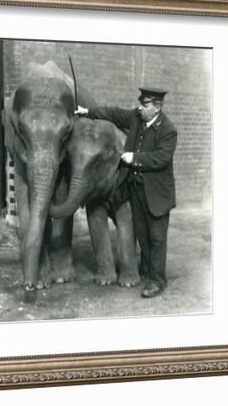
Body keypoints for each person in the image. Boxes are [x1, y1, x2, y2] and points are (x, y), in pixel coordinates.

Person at [75, 87, 177, 298]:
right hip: (136, 190)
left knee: (157, 237)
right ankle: (148, 269)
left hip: (157, 193)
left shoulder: (168, 130)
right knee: (143, 235)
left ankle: (157, 281)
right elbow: (113, 113)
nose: (140, 107)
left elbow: (162, 158)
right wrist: (88, 112)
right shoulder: (137, 118)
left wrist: (134, 158)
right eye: (141, 103)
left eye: (145, 104)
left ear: (157, 107)